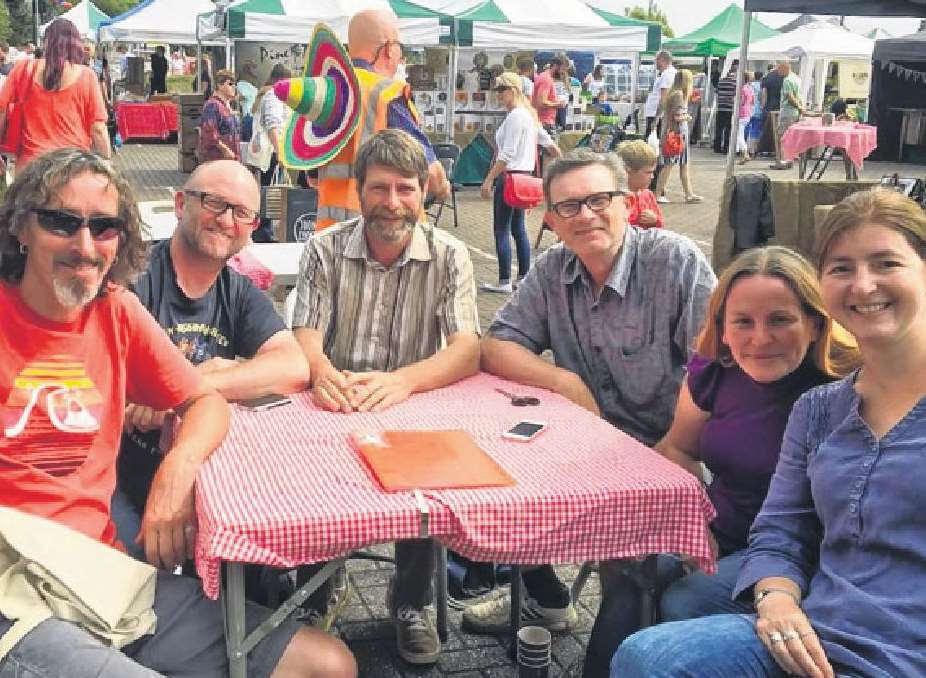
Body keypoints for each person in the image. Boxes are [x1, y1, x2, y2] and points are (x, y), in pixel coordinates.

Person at [0, 147, 356, 678]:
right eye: (60, 221)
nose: (84, 245)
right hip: (14, 584)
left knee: (328, 664)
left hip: (98, 573)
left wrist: (180, 466)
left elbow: (208, 400)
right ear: (20, 227)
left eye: (104, 227)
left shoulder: (115, 308)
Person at [612, 187, 926, 678]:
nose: (863, 286)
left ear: (814, 321)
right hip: (808, 604)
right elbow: (782, 526)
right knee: (641, 620)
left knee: (686, 600)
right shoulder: (818, 408)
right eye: (842, 268)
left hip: (890, 638)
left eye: (886, 263)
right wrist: (775, 596)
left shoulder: (821, 379)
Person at [463, 149, 715, 637]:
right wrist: (563, 380)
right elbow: (495, 346)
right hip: (587, 441)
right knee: (485, 477)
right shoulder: (553, 269)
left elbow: (713, 371)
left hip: (669, 446)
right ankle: (546, 598)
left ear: (628, 202)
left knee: (628, 573)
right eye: (569, 207)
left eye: (599, 200)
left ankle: (623, 633)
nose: (586, 215)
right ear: (552, 220)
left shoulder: (674, 260)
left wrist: (675, 449)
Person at [579, 246, 859, 678]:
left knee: (686, 599)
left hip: (799, 554)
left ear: (816, 323)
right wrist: (690, 525)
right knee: (628, 560)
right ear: (723, 329)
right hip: (718, 526)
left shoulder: (844, 388)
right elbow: (677, 449)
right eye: (743, 322)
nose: (760, 338)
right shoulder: (715, 370)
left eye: (780, 320)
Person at [292, 128, 479, 665]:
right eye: (379, 188)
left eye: (405, 188)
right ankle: (317, 589)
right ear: (357, 192)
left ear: (424, 192)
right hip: (335, 397)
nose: (391, 202)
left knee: (425, 491)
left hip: (411, 399)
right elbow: (305, 329)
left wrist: (402, 382)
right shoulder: (324, 248)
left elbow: (467, 348)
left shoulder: (451, 256)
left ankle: (412, 603)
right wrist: (321, 369)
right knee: (313, 482)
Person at [113, 159, 310, 564]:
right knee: (137, 575)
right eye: (214, 203)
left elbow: (294, 367)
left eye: (241, 213)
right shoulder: (133, 277)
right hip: (121, 475)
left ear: (253, 227)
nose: (226, 221)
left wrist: (184, 386)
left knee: (267, 554)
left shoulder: (236, 291)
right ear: (181, 203)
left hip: (209, 473)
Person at [311, 8, 449, 231]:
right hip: (382, 235)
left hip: (331, 233)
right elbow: (432, 174)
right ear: (388, 49)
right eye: (399, 47)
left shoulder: (325, 93)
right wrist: (443, 187)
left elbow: (312, 176)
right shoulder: (386, 94)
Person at [479, 71, 560, 294]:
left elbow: (506, 154)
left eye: (502, 90)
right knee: (518, 228)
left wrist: (488, 179)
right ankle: (523, 275)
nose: (499, 96)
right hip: (525, 177)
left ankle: (505, 279)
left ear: (512, 90)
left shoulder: (516, 116)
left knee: (502, 229)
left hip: (510, 177)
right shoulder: (529, 115)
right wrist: (563, 162)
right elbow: (549, 144)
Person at [0, 18, 109, 175]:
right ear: (75, 45)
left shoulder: (22, 69)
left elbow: (1, 110)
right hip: (72, 169)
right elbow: (98, 129)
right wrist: (106, 165)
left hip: (30, 169)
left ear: (46, 43)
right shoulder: (87, 76)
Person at [251, 63, 293, 242]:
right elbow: (272, 125)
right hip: (271, 152)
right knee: (270, 189)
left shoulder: (270, 95)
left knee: (270, 189)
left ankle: (265, 228)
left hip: (271, 151)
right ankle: (263, 230)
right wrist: (280, 151)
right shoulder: (274, 96)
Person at [654, 69, 702, 205]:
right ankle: (658, 194)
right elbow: (678, 116)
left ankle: (689, 194)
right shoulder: (678, 95)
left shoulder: (673, 93)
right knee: (669, 165)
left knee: (683, 164)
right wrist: (688, 116)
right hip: (675, 135)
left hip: (677, 135)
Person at [616, 139, 662, 229]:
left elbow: (661, 227)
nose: (652, 176)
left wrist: (655, 220)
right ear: (628, 171)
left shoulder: (648, 195)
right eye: (648, 172)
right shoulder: (617, 198)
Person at [197, 69, 240, 163]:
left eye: (234, 84)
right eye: (230, 84)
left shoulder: (225, 105)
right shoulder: (212, 105)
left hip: (230, 158)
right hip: (217, 159)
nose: (234, 87)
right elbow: (209, 133)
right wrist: (225, 149)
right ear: (220, 85)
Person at [771, 60, 803, 170]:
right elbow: (798, 95)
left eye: (779, 69)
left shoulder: (787, 80)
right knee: (792, 137)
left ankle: (782, 161)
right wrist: (800, 108)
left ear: (785, 67)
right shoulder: (797, 78)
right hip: (795, 113)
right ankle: (790, 160)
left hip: (788, 112)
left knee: (782, 137)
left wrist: (799, 107)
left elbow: (790, 97)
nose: (777, 71)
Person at [643, 50, 676, 139]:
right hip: (656, 113)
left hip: (656, 114)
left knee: (651, 141)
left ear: (662, 60)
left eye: (656, 60)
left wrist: (656, 118)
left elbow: (663, 98)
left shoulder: (667, 74)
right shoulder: (666, 73)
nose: (655, 62)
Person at [532, 56, 567, 134]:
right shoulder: (546, 79)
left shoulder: (545, 77)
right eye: (563, 69)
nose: (563, 72)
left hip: (543, 121)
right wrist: (558, 104)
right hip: (544, 122)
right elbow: (542, 102)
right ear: (555, 66)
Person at [758, 63, 784, 156]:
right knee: (778, 129)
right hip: (781, 107)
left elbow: (764, 94)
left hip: (769, 106)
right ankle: (776, 150)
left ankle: (765, 150)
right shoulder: (784, 78)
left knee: (766, 129)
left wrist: (762, 105)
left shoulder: (767, 78)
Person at [714, 62, 737, 154]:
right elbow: (735, 95)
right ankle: (726, 147)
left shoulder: (721, 81)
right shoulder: (735, 82)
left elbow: (717, 92)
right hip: (730, 108)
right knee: (728, 128)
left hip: (721, 107)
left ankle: (717, 147)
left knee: (719, 128)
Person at [736, 71, 756, 164]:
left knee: (739, 135)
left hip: (740, 113)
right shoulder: (750, 88)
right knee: (742, 134)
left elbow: (741, 102)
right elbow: (753, 102)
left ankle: (745, 153)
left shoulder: (741, 89)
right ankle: (743, 155)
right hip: (748, 113)